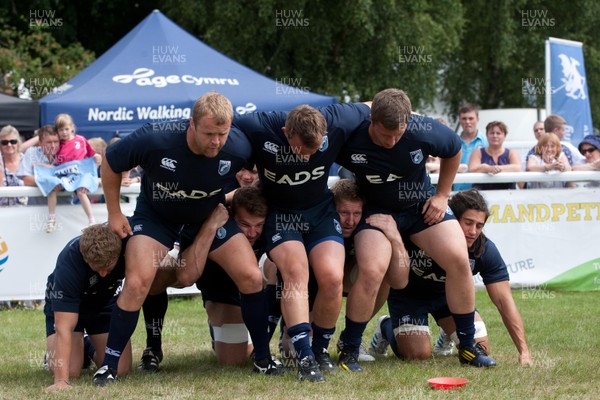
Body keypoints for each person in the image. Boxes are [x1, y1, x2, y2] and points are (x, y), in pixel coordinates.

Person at [93, 92, 279, 386]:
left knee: (251, 276)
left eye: (222, 133)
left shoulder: (240, 145)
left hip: (207, 217)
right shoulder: (156, 137)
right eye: (208, 134)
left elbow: (269, 167)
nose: (216, 142)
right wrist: (114, 213)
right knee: (139, 281)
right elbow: (110, 162)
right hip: (157, 219)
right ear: (190, 123)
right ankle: (110, 366)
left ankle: (263, 359)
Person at [336, 88, 496, 370]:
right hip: (377, 211)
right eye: (386, 134)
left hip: (420, 207)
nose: (393, 140)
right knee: (373, 270)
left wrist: (442, 195)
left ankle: (468, 346)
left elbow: (454, 149)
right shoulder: (350, 130)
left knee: (458, 258)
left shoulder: (424, 130)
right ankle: (349, 348)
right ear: (371, 120)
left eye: (399, 134)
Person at [233, 102, 374, 382]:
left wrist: (413, 117)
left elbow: (373, 106)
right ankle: (305, 356)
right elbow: (221, 122)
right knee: (296, 271)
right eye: (300, 151)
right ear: (286, 133)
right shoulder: (260, 124)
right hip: (282, 215)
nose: (307, 159)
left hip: (319, 212)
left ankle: (320, 350)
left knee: (333, 278)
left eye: (315, 151)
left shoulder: (335, 118)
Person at [369, 189, 532, 366]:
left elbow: (503, 301)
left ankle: (449, 332)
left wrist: (524, 351)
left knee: (481, 347)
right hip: (409, 296)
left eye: (479, 225)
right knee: (417, 354)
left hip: (449, 300)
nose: (473, 231)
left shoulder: (484, 250)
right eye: (468, 223)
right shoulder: (420, 233)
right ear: (451, 220)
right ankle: (386, 327)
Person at [44, 224, 132, 391]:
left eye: (108, 267)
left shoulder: (126, 242)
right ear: (86, 258)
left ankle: (85, 345)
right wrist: (61, 381)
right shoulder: (69, 262)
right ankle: (59, 351)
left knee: (121, 368)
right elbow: (63, 327)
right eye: (98, 269)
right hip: (71, 303)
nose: (104, 274)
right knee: (70, 370)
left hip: (104, 301)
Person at [46, 114, 101, 232]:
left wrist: (96, 156)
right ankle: (51, 218)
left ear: (72, 127)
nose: (64, 132)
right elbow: (53, 160)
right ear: (57, 131)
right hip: (64, 176)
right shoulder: (57, 144)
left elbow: (91, 152)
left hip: (79, 176)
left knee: (81, 192)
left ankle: (92, 220)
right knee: (51, 188)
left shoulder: (81, 140)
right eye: (61, 130)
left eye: (66, 129)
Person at [468, 121, 522, 190]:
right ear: (487, 135)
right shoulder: (477, 152)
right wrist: (487, 168)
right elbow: (472, 169)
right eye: (492, 133)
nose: (495, 136)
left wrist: (493, 169)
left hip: (508, 195)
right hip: (482, 196)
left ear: (504, 136)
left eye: (498, 133)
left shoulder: (511, 153)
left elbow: (518, 168)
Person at [453, 103, 488, 191]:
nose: (467, 122)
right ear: (460, 120)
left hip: (480, 191)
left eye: (471, 118)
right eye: (464, 118)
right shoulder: (453, 141)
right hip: (457, 191)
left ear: (478, 119)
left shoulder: (486, 141)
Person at [0, 125, 27, 206]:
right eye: (4, 142)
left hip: (26, 212)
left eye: (13, 141)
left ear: (18, 142)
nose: (9, 145)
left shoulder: (27, 161)